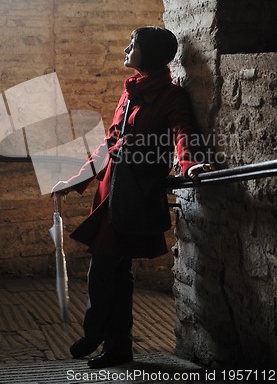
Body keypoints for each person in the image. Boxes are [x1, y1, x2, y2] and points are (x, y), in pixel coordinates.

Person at [52, 26, 214, 369]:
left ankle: (95, 331)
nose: (126, 48)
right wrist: (75, 180)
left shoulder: (171, 96)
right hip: (111, 189)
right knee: (117, 270)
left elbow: (184, 132)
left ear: (150, 53)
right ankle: (118, 347)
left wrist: (191, 164)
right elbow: (109, 144)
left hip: (136, 192)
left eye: (133, 44)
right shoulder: (129, 94)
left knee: (104, 266)